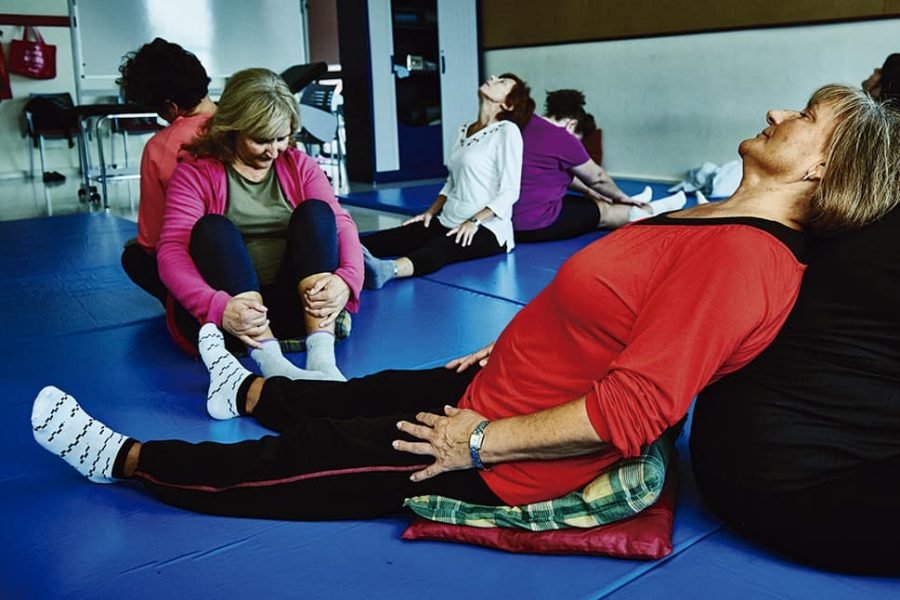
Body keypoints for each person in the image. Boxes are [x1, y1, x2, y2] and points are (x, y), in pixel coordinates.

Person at [32, 85, 900, 526]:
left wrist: (474, 443)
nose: (779, 111)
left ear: (822, 167)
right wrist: (511, 345)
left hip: (513, 446)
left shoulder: (745, 258)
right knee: (364, 393)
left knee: (312, 458)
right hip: (507, 382)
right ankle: (248, 388)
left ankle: (129, 459)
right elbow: (618, 308)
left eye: (806, 115)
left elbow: (637, 409)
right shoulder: (713, 218)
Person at [690, 79, 900, 576]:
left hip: (740, 460)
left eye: (804, 114)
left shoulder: (850, 214)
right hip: (805, 485)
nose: (775, 113)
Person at [157, 68, 363, 382]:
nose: (273, 150)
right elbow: (171, 251)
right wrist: (218, 307)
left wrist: (347, 280)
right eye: (261, 140)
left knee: (317, 213)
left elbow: (341, 225)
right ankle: (273, 364)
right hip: (235, 318)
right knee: (212, 229)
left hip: (296, 308)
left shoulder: (299, 165)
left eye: (281, 138)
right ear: (232, 129)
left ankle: (322, 358)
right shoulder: (194, 174)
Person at [360, 74, 530, 289]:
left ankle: (386, 271)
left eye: (502, 82)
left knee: (438, 249)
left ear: (507, 104)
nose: (493, 78)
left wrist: (474, 221)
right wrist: (430, 212)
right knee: (390, 237)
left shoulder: (507, 131)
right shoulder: (463, 130)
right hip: (447, 220)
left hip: (486, 229)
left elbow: (510, 192)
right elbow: (452, 182)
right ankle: (336, 253)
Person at [118, 38, 217, 306]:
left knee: (135, 256)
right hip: (259, 257)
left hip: (205, 266)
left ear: (170, 107)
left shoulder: (160, 147)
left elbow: (151, 240)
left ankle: (187, 305)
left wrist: (142, 244)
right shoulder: (243, 126)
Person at [513, 89, 685, 243]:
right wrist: (622, 197)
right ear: (571, 124)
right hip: (533, 225)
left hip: (510, 219)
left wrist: (587, 190)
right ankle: (651, 211)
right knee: (603, 210)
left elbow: (548, 172)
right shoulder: (562, 137)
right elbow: (598, 179)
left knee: (590, 201)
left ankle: (635, 206)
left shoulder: (527, 124)